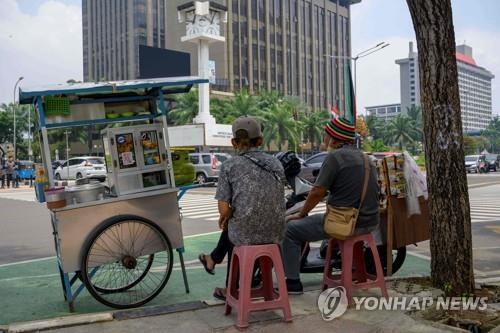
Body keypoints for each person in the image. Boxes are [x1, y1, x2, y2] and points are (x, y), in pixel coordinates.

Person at [282, 117, 380, 294]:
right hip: (370, 222)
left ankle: (293, 282)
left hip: (344, 223)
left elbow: (317, 192)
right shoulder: (366, 158)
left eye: (326, 135)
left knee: (290, 229)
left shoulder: (334, 157)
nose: (324, 138)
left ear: (334, 138)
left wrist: (301, 213)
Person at [198, 116, 286, 300]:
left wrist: (228, 214)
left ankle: (232, 288)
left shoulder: (229, 165)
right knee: (239, 224)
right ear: (260, 141)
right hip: (276, 233)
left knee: (234, 230)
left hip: (245, 234)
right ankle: (216, 263)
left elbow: (223, 210)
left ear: (233, 142)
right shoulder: (276, 163)